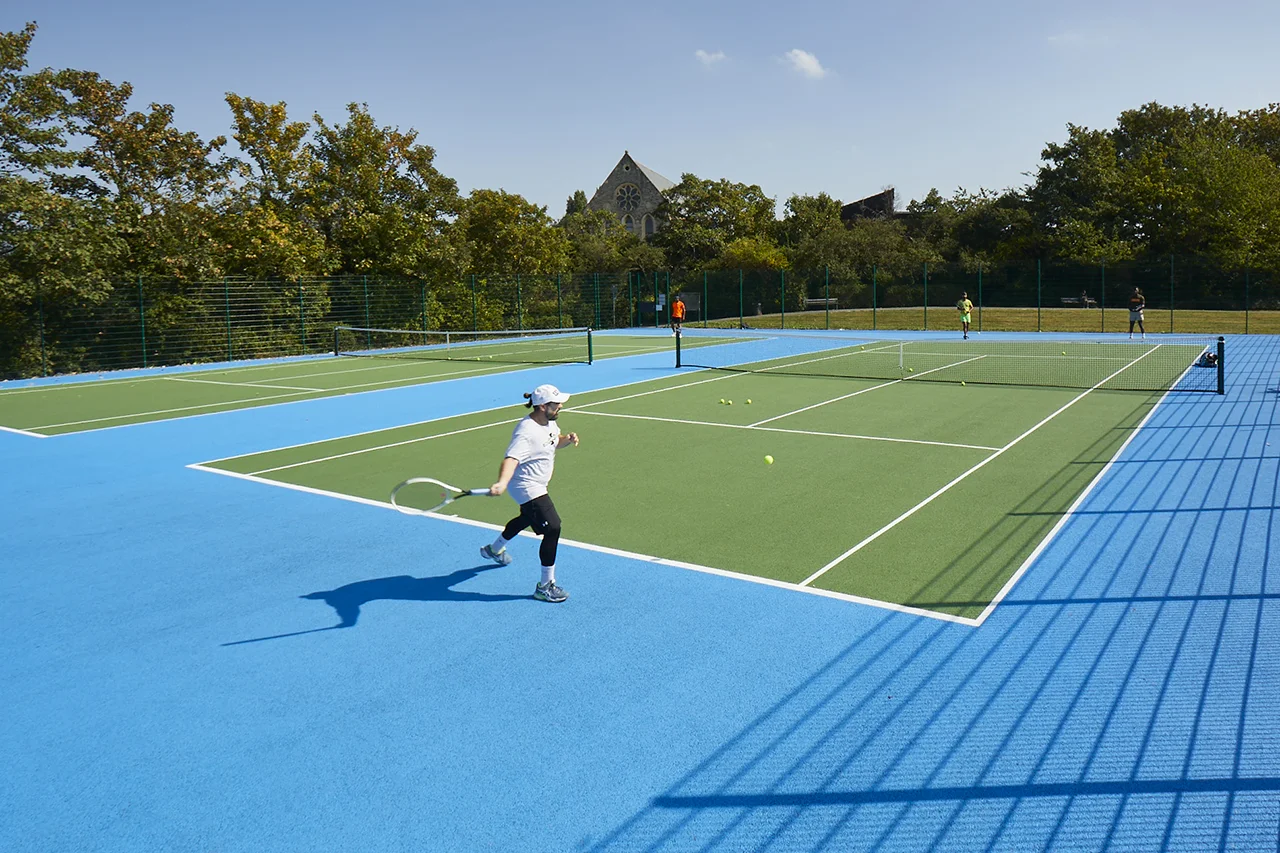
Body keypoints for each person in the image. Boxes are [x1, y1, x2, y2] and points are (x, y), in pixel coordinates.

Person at [479, 384, 579, 603]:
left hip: (539, 483)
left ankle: (494, 549)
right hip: (526, 485)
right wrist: (502, 483)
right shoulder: (526, 431)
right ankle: (545, 586)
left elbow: (553, 442)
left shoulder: (549, 421)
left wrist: (567, 440)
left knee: (528, 517)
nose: (561, 405)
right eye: (556, 403)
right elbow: (511, 459)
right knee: (553, 527)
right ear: (543, 406)